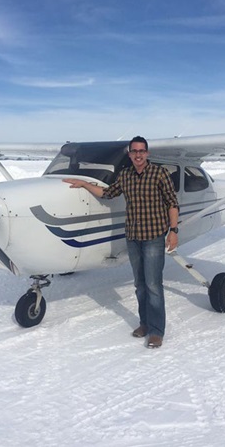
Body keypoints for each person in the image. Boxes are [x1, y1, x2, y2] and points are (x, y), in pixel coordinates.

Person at [63, 136, 179, 348]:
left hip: (154, 237)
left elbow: (172, 202)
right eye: (134, 151)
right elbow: (107, 193)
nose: (138, 154)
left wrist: (173, 231)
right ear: (130, 154)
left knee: (153, 285)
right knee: (140, 285)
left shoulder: (159, 173)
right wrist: (84, 183)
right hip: (133, 237)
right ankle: (144, 323)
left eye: (141, 151)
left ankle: (156, 331)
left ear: (147, 153)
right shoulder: (125, 175)